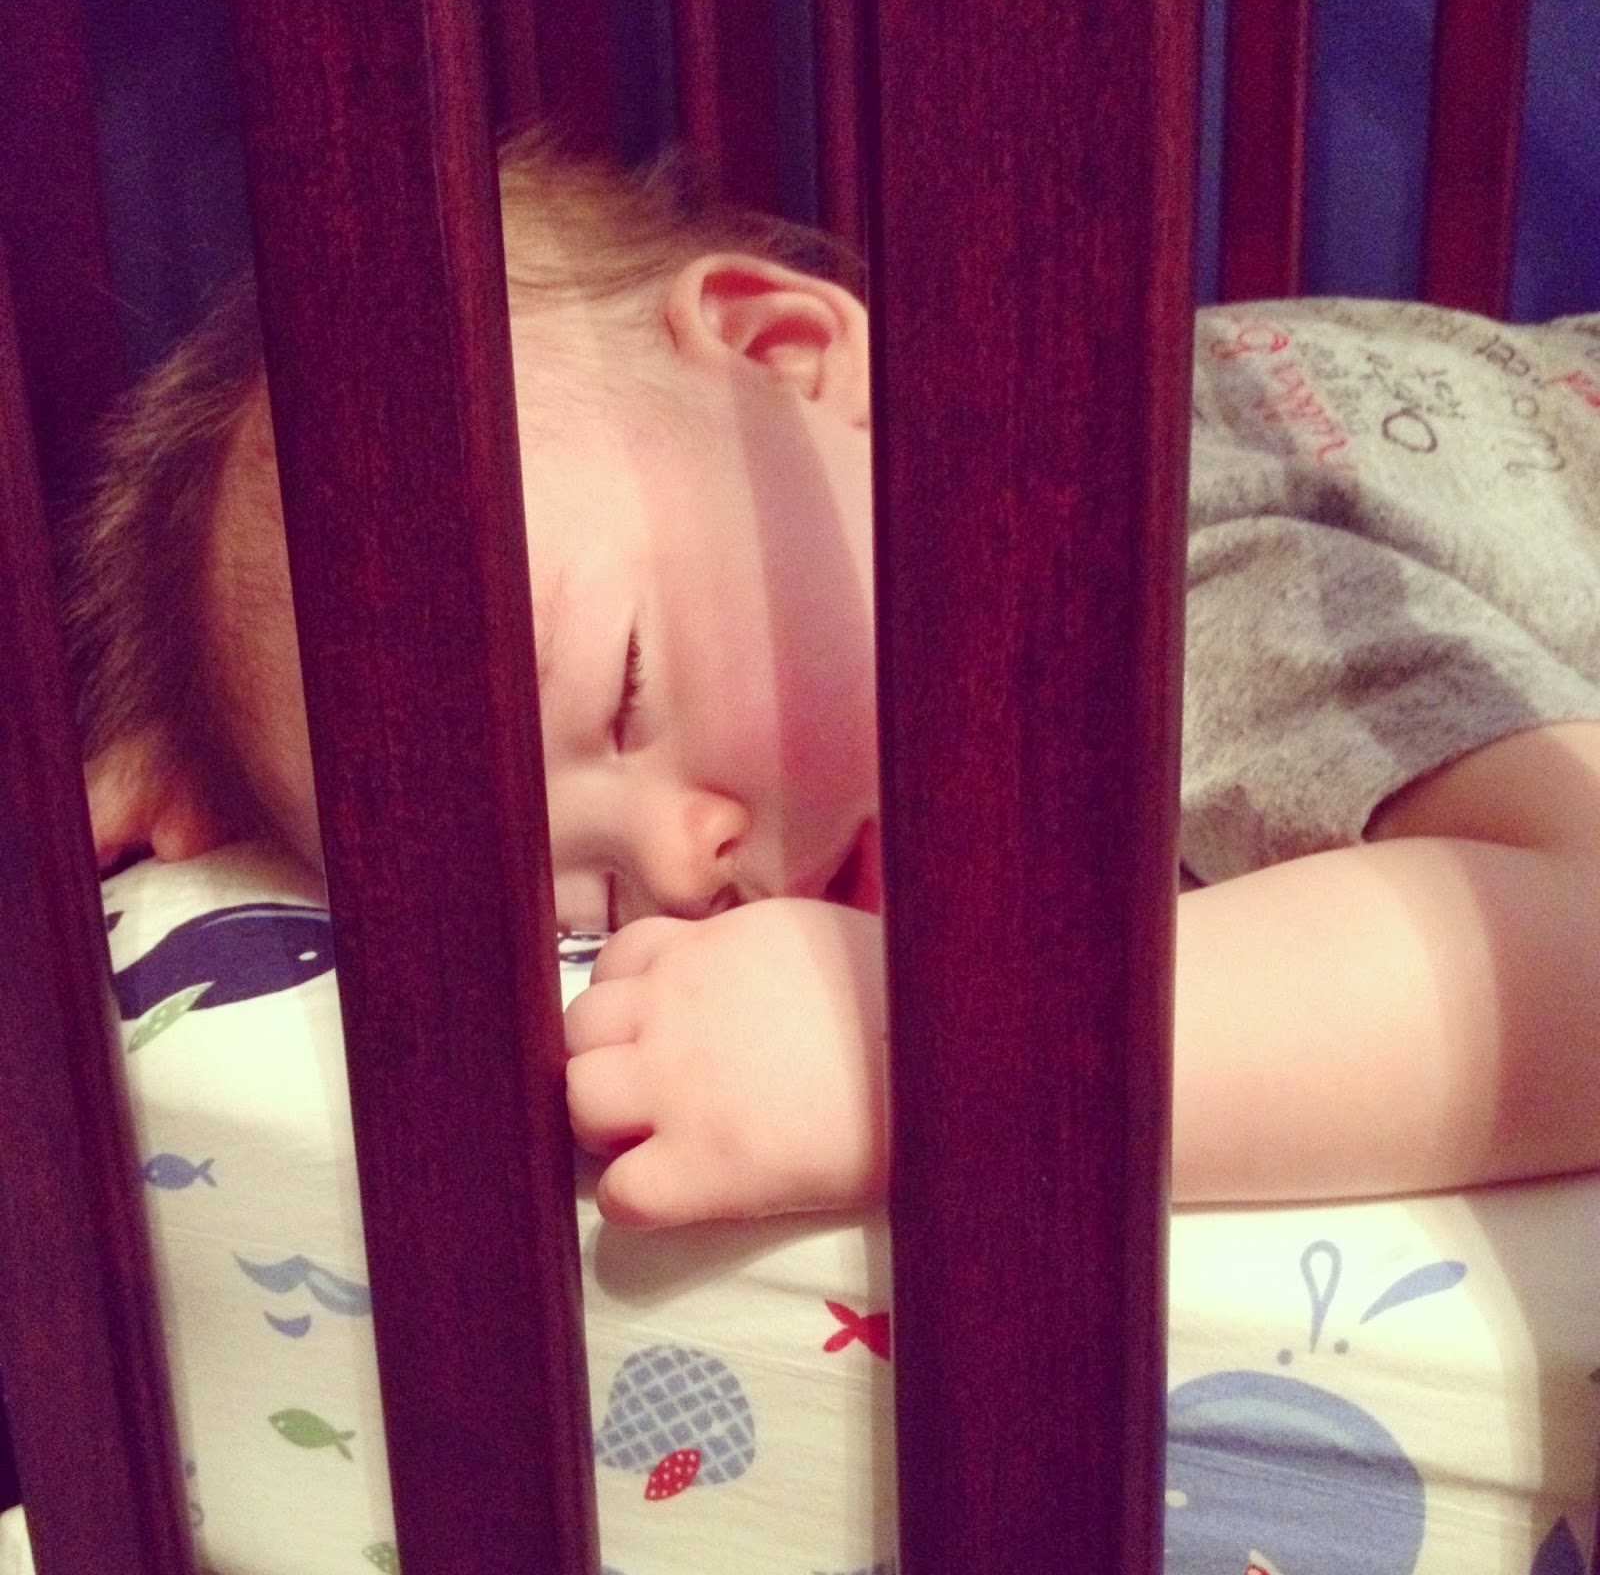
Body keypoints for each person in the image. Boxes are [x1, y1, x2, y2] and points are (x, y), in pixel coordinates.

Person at [62, 134, 1600, 1228]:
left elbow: (1573, 955)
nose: (678, 871)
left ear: (788, 360)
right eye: (587, 897)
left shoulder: (1130, 569)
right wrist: (233, 737)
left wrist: (925, 1048)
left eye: (628, 693)